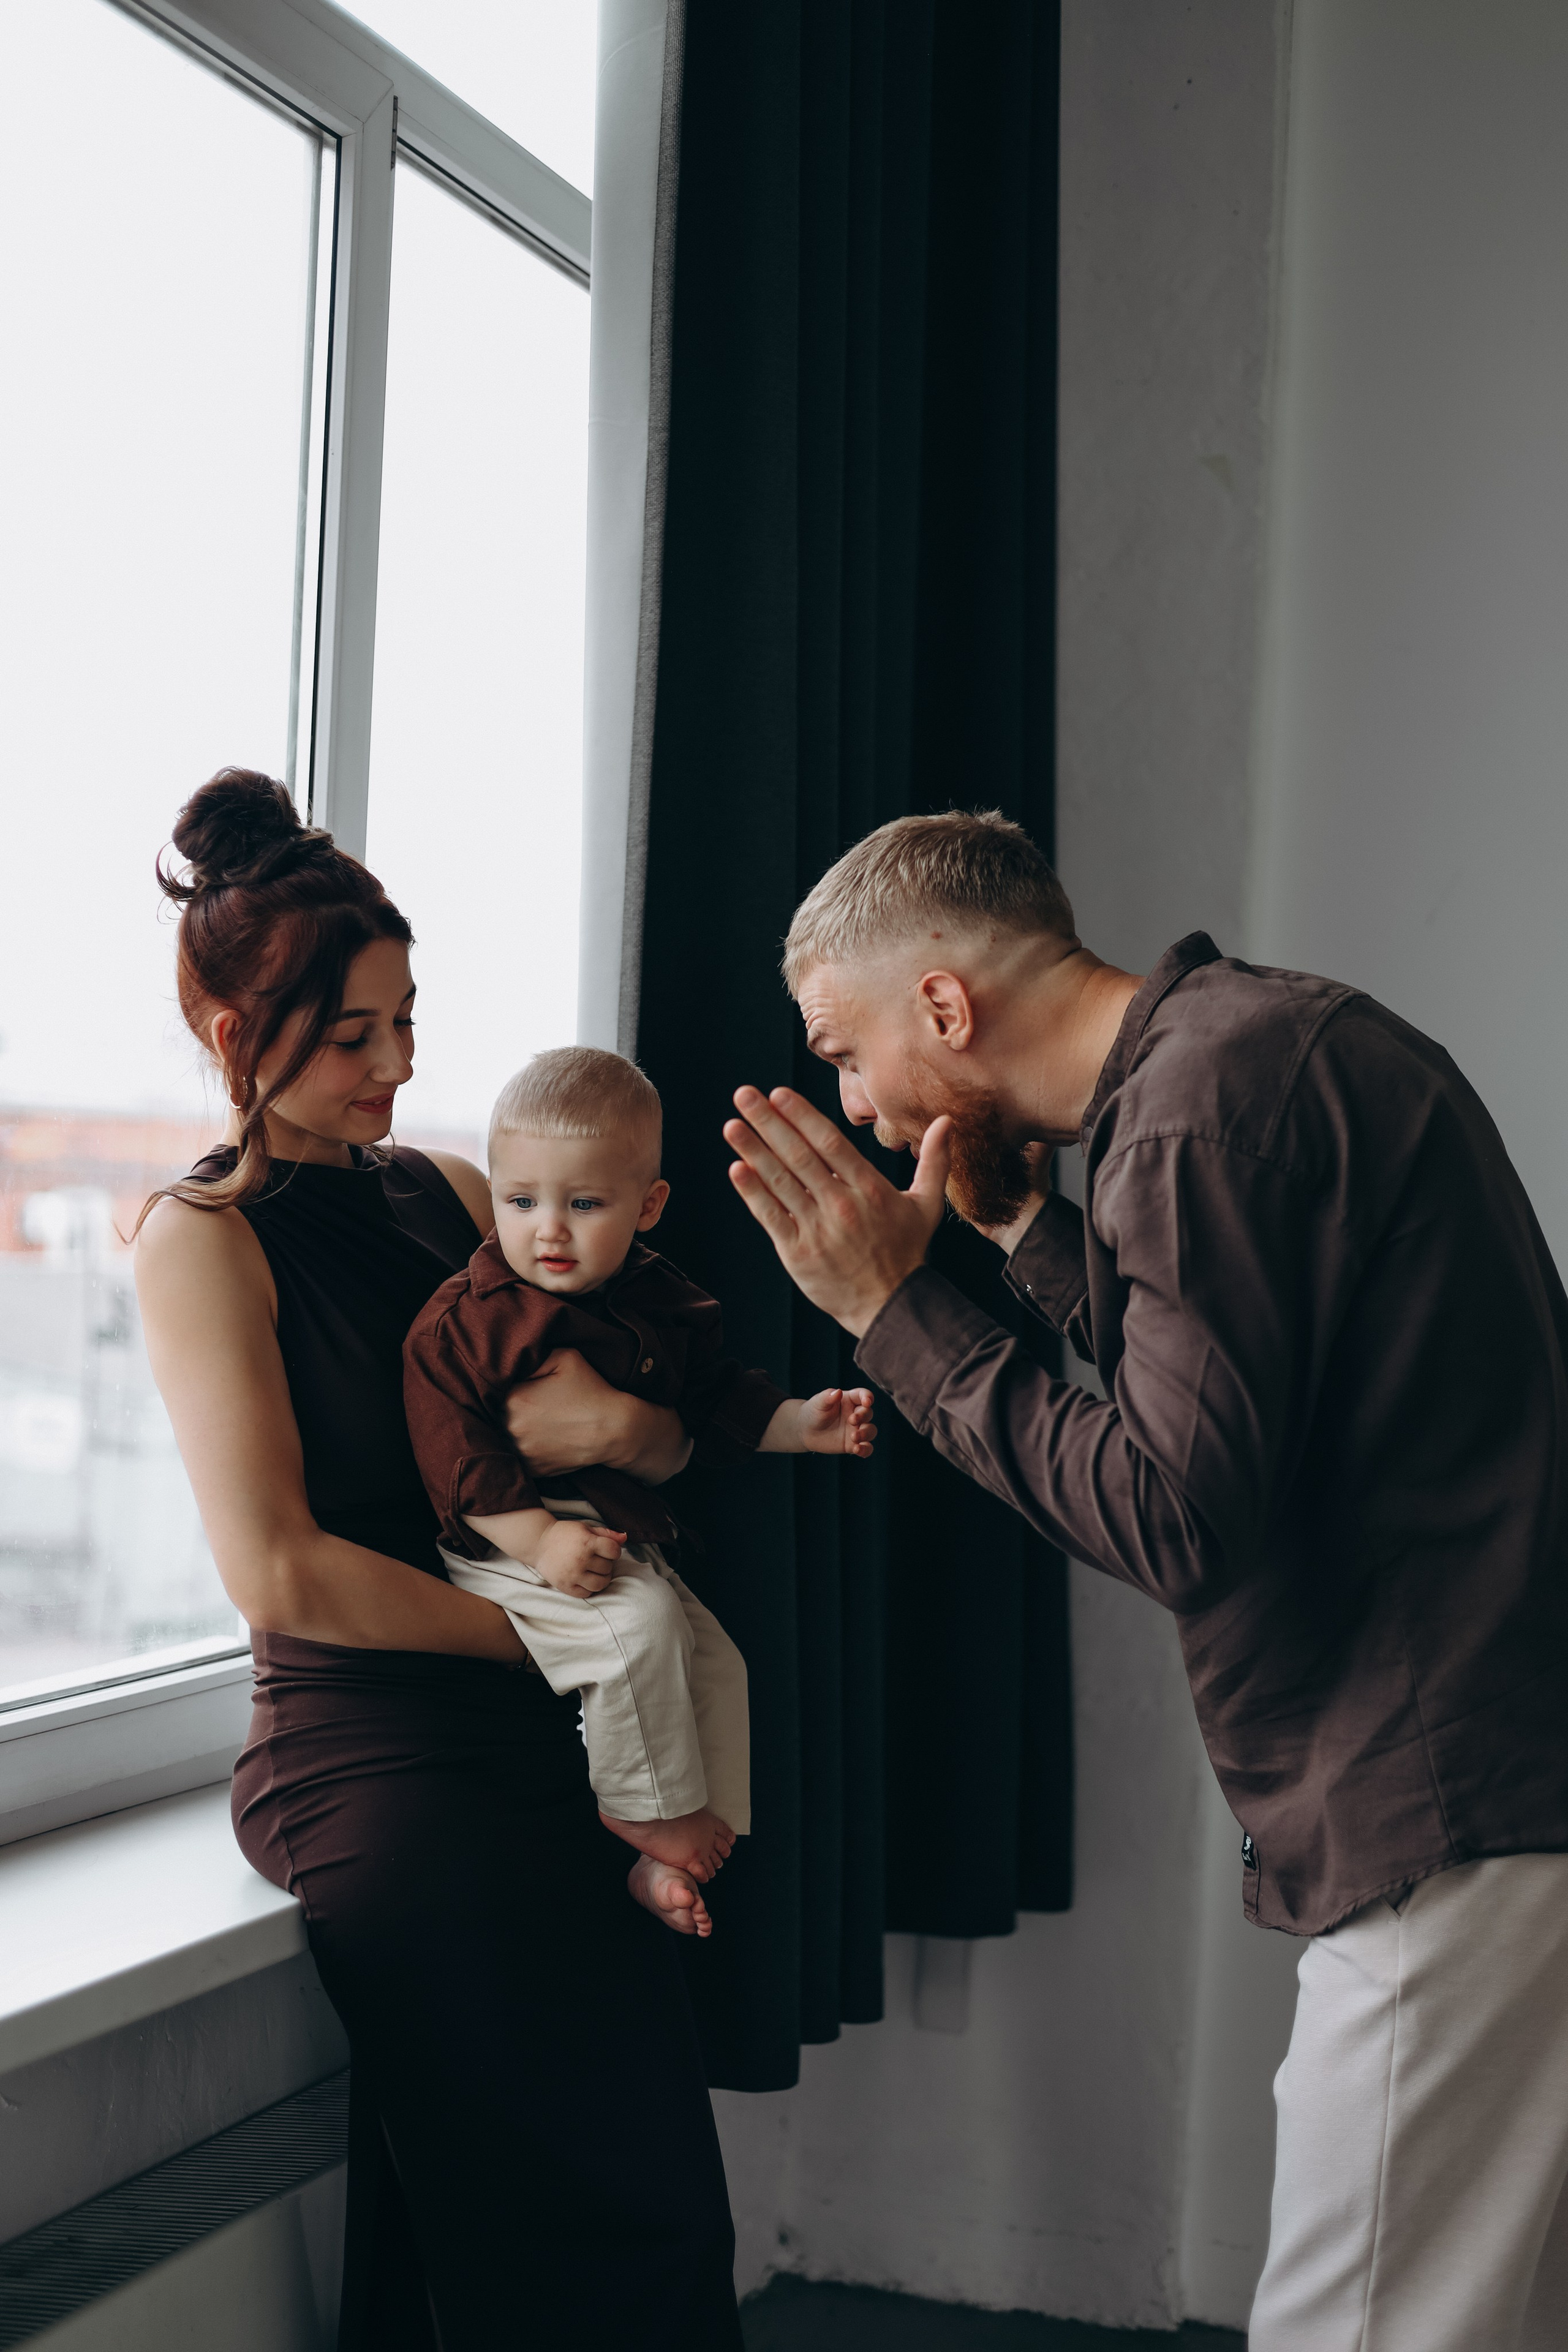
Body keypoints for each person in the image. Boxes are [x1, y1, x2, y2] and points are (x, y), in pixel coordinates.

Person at [723, 807, 1568, 2352]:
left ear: (944, 1008)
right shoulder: (1248, 1054)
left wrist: (896, 1311)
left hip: (1448, 1799)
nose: (850, 1107)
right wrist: (1014, 1233)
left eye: (845, 1055)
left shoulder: (1192, 1112)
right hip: (1504, 1782)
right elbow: (1237, 1376)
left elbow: (1173, 1509)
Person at [134, 769, 744, 2352]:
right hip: (373, 1750)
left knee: (653, 2193)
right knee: (538, 2210)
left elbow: (634, 1440)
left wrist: (636, 1436)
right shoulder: (197, 1242)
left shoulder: (450, 1196)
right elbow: (281, 1575)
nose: (403, 1067)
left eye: (409, 1022)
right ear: (232, 1043)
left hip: (542, 1712)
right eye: (356, 1038)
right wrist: (554, 1643)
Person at [402, 1045, 876, 1935]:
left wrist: (797, 1426)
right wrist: (538, 1539)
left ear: (647, 1206)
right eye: (522, 1202)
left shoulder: (662, 1301)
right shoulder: (466, 1321)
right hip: (502, 1542)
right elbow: (454, 1456)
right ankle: (648, 1820)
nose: (549, 1230)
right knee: (639, 1632)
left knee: (715, 1660)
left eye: (584, 1205)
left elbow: (711, 1402)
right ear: (496, 1193)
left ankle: (672, 1849)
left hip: (618, 1533)